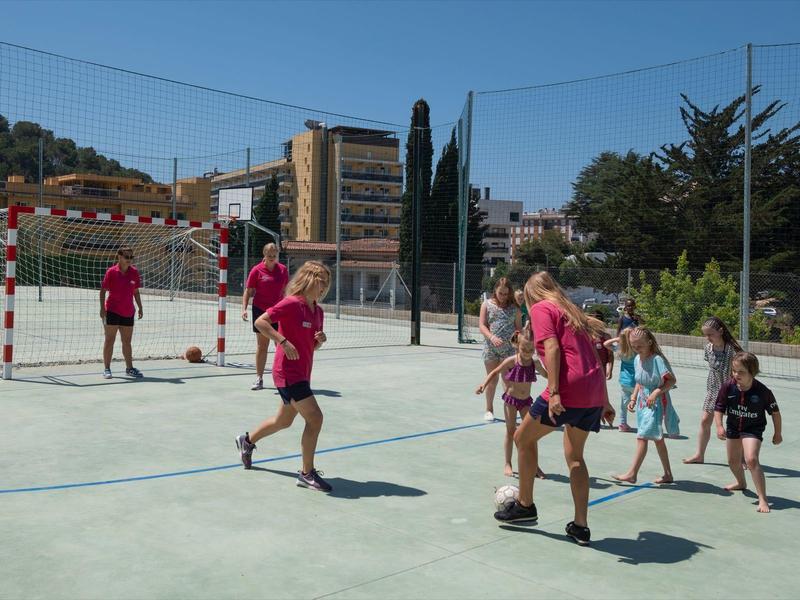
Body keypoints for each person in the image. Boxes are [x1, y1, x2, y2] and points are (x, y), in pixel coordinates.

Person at [494, 271, 615, 547]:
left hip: (568, 388)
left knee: (522, 438)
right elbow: (593, 356)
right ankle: (580, 526)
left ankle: (525, 506)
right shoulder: (570, 310)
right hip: (592, 390)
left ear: (530, 294)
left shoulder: (541, 307)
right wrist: (604, 400)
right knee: (575, 458)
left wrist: (556, 391)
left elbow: (551, 347)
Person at [235, 261, 332, 492]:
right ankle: (307, 474)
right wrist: (282, 340)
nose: (325, 287)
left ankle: (247, 441)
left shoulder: (318, 311)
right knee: (315, 418)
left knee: (283, 421)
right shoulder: (291, 303)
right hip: (287, 372)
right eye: (322, 281)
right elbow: (261, 321)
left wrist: (319, 341)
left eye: (327, 283)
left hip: (303, 372)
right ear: (309, 279)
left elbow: (310, 345)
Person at [714, 352, 782, 513]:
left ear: (752, 372)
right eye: (734, 371)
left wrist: (777, 433)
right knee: (732, 461)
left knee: (751, 459)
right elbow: (718, 408)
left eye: (741, 372)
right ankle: (741, 482)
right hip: (733, 427)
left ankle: (763, 499)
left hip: (753, 429)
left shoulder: (763, 391)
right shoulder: (728, 387)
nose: (736, 375)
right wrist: (719, 426)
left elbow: (775, 413)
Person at [476, 327, 547, 478]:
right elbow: (495, 372)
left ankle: (535, 465)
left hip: (526, 402)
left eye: (531, 348)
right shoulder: (511, 361)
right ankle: (508, 463)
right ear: (517, 346)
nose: (527, 351)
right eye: (524, 348)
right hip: (511, 401)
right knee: (510, 432)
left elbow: (547, 375)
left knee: (531, 434)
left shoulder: (535, 362)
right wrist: (483, 385)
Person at [613, 327, 678, 485]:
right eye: (633, 345)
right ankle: (668, 474)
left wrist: (656, 393)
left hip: (655, 404)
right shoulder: (637, 359)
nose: (636, 349)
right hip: (643, 403)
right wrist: (633, 398)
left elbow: (671, 380)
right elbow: (640, 381)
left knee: (642, 437)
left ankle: (632, 473)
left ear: (649, 342)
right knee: (657, 439)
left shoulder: (657, 360)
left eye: (639, 346)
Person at [684, 316, 743, 464]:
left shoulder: (732, 350)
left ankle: (742, 458)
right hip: (713, 388)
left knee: (735, 425)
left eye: (710, 334)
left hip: (732, 390)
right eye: (705, 334)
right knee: (705, 421)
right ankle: (699, 454)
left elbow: (740, 371)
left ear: (721, 331)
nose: (707, 338)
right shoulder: (708, 348)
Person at [241, 243, 289, 391]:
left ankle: (283, 379)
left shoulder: (283, 270)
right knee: (262, 346)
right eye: (269, 256)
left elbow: (287, 291)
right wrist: (244, 309)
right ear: (264, 255)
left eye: (274, 256)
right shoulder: (256, 270)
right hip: (261, 312)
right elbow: (248, 291)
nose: (272, 259)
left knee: (280, 345)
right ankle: (259, 378)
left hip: (278, 311)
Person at [479, 277, 521, 421]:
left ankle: (509, 411)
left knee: (508, 381)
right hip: (490, 349)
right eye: (500, 293)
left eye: (505, 294)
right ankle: (489, 409)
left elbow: (518, 329)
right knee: (492, 380)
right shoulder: (486, 305)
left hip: (508, 351)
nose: (503, 296)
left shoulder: (515, 309)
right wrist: (491, 337)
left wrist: (517, 341)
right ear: (495, 291)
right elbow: (482, 325)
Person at [100, 246, 144, 379]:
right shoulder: (111, 272)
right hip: (112, 311)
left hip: (128, 312)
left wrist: (140, 307)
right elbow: (103, 291)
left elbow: (135, 291)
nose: (129, 260)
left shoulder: (134, 272)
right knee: (109, 340)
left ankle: (129, 368)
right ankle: (107, 369)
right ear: (119, 257)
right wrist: (102, 309)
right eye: (126, 257)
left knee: (127, 342)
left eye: (131, 257)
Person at [603, 328, 637, 432]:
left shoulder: (620, 348)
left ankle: (622, 424)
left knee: (624, 405)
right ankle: (643, 425)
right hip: (636, 383)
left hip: (624, 381)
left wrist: (618, 339)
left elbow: (606, 344)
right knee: (640, 404)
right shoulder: (636, 349)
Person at [589, 312, 614, 381]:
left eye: (598, 320)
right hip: (588, 368)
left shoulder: (606, 336)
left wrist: (610, 370)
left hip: (601, 368)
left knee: (600, 390)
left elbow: (610, 355)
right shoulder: (586, 335)